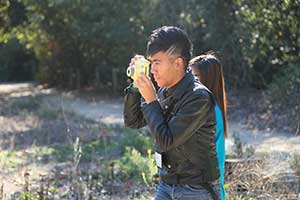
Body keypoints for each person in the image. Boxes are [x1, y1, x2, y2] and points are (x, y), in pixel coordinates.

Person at [123, 26, 220, 200]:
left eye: (157, 63)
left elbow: (166, 141)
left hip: (196, 189)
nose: (153, 70)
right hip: (166, 184)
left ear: (178, 63)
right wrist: (135, 88)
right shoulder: (164, 91)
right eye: (150, 63)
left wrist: (151, 100)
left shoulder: (198, 97)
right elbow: (133, 121)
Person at [189, 53, 227, 200]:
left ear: (209, 79)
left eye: (195, 77)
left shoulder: (208, 110)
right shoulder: (210, 107)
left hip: (206, 187)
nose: (190, 81)